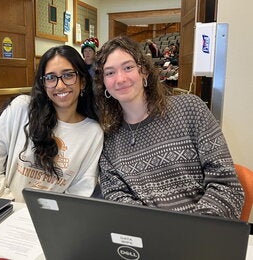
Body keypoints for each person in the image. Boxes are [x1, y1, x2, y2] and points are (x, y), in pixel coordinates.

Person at [94, 36, 244, 219]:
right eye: (110, 72)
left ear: (144, 72)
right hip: (149, 238)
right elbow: (117, 198)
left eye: (128, 67)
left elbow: (226, 185)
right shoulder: (109, 139)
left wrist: (190, 231)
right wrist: (158, 232)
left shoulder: (190, 108)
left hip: (205, 232)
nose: (120, 79)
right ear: (104, 84)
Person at [0, 45, 104, 203]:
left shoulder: (93, 132)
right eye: (51, 78)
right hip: (3, 210)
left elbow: (80, 191)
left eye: (68, 75)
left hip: (51, 220)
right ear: (43, 85)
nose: (60, 85)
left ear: (83, 81)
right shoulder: (21, 109)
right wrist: (11, 209)